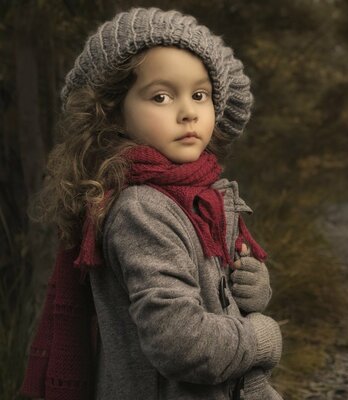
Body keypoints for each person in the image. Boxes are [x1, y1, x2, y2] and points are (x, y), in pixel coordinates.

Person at [20, 7, 283, 400]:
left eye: (199, 94)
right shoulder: (143, 208)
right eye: (161, 96)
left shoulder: (200, 196)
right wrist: (260, 338)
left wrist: (250, 286)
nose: (187, 112)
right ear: (113, 112)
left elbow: (207, 290)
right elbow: (179, 342)